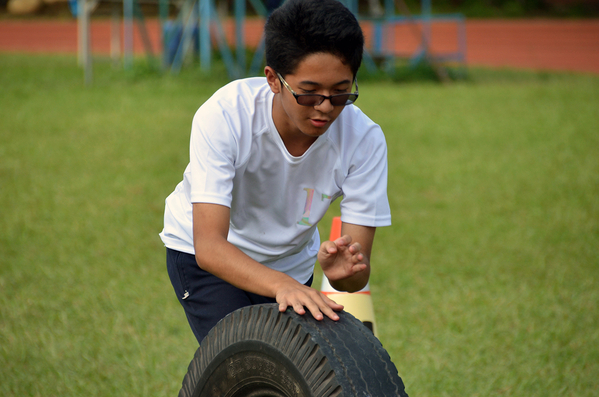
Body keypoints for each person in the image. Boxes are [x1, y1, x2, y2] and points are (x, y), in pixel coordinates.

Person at [159, 0, 391, 345]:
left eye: (341, 93)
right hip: (207, 259)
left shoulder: (365, 140)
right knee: (242, 357)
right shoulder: (226, 115)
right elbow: (208, 245)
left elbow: (355, 276)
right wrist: (281, 285)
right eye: (309, 93)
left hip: (291, 267)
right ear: (273, 79)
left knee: (306, 373)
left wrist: (344, 275)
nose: (325, 108)